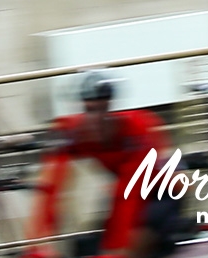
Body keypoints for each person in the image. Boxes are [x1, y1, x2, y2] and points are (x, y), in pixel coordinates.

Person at [25, 70, 180, 258]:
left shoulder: (138, 130)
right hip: (121, 189)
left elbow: (129, 195)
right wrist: (39, 242)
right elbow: (50, 186)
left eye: (103, 111)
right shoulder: (73, 130)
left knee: (136, 244)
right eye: (90, 110)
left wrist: (116, 249)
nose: (96, 121)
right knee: (87, 247)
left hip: (163, 191)